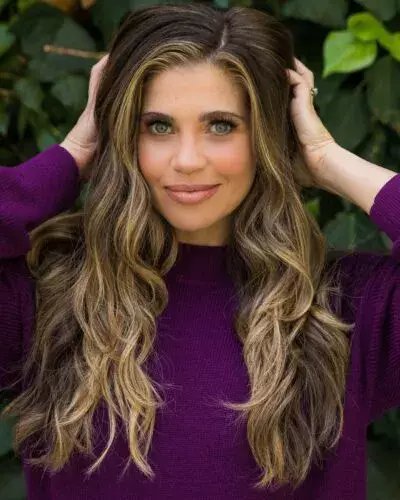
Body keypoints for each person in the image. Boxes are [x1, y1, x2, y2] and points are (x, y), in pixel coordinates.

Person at [0, 3, 399, 499]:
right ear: (122, 136)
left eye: (221, 126)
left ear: (268, 136)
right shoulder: (52, 297)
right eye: (158, 126)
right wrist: (73, 154)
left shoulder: (345, 310)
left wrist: (325, 157)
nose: (187, 160)